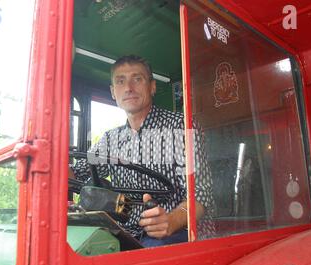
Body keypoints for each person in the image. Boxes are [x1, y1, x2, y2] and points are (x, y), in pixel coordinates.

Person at [69, 55, 214, 247]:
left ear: (152, 87)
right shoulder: (110, 139)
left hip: (180, 234)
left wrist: (172, 221)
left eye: (137, 79)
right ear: (113, 92)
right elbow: (75, 176)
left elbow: (201, 194)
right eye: (121, 81)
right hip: (128, 234)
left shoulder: (181, 127)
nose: (129, 88)